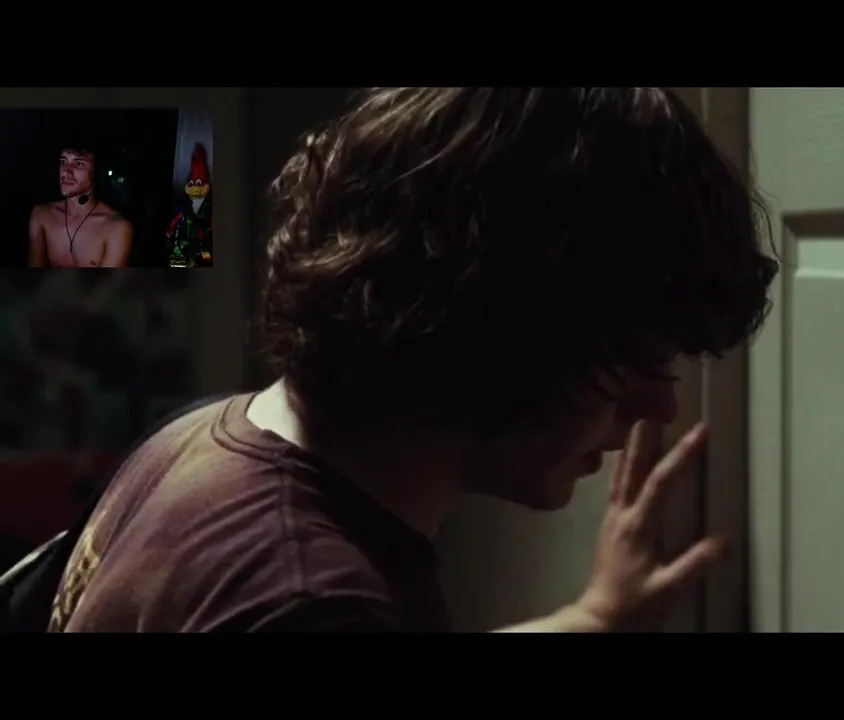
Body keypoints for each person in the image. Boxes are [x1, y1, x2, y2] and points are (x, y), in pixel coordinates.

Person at [47, 88, 778, 633]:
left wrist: (592, 618)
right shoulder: (307, 600)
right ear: (504, 327)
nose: (660, 405)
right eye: (633, 356)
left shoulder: (204, 441)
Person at [27, 141, 134, 268]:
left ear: (96, 172)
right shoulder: (41, 214)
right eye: (64, 162)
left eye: (78, 164)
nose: (66, 172)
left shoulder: (116, 228)